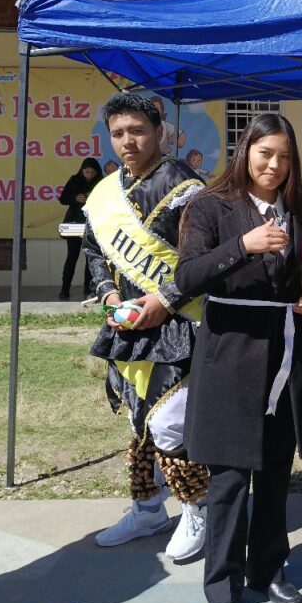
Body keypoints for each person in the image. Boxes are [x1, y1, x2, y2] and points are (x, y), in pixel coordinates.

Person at [176, 113, 302, 603]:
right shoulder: (210, 206)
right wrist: (243, 246)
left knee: (276, 472)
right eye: (266, 153)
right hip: (229, 354)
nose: (274, 165)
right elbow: (187, 277)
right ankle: (222, 586)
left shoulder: (301, 210)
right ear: (246, 152)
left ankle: (269, 568)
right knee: (230, 479)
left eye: (284, 157)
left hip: (284, 354)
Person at [82, 92, 209, 562]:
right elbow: (95, 251)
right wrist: (108, 295)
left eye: (137, 130)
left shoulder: (184, 185)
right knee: (139, 420)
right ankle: (149, 508)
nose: (128, 141)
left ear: (160, 132)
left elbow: (204, 259)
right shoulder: (105, 193)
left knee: (170, 421)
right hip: (129, 325)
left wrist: (164, 300)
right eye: (118, 133)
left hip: (179, 323)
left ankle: (198, 508)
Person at [57, 157, 102, 300]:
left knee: (90, 258)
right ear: (82, 171)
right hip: (74, 224)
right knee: (72, 257)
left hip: (92, 224)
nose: (89, 175)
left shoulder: (101, 182)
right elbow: (63, 199)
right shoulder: (74, 180)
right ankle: (65, 289)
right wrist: (75, 198)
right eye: (86, 172)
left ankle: (88, 289)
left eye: (92, 173)